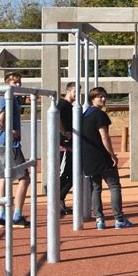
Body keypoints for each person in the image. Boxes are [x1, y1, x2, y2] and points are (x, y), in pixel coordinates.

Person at [81, 87, 134, 229]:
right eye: (100, 97)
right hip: (102, 156)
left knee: (96, 188)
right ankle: (119, 219)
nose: (103, 99)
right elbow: (104, 136)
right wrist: (112, 154)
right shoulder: (100, 115)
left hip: (88, 157)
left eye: (104, 96)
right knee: (114, 186)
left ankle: (99, 220)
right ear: (93, 99)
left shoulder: (84, 115)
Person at [0, 72, 31, 228]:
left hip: (2, 143)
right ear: (7, 83)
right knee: (24, 178)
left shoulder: (13, 99)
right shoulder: (8, 98)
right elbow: (0, 118)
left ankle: (3, 216)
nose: (18, 85)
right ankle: (16, 215)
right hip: (10, 144)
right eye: (14, 82)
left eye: (19, 82)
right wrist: (11, 131)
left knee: (4, 179)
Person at [58, 82, 76, 215]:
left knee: (72, 174)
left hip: (70, 144)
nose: (77, 94)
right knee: (64, 173)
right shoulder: (62, 104)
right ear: (69, 91)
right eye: (75, 91)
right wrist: (64, 132)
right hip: (64, 145)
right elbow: (55, 117)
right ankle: (57, 200)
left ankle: (61, 200)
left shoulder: (71, 106)